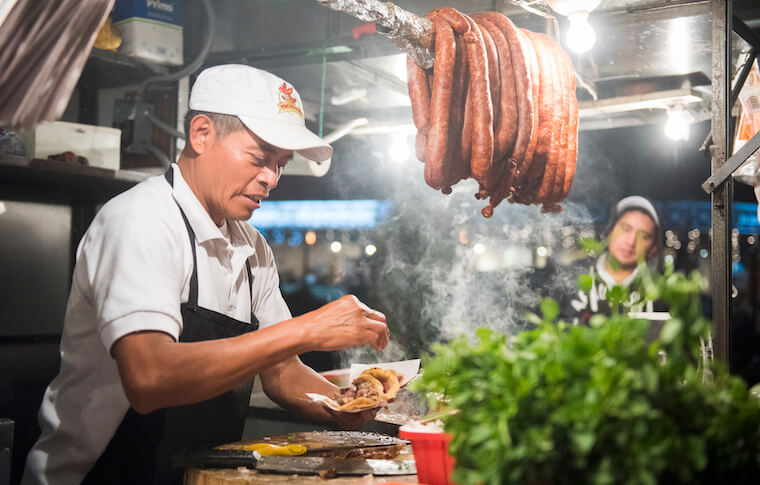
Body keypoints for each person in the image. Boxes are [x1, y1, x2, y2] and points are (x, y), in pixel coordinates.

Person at [22, 65, 390, 485]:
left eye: (281, 165)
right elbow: (150, 377)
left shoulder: (253, 248)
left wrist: (354, 406)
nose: (271, 178)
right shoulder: (141, 219)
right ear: (201, 134)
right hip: (99, 475)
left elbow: (282, 372)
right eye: (259, 159)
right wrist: (306, 329)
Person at [570, 195, 663, 324]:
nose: (631, 242)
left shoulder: (659, 293)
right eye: (626, 229)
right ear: (610, 230)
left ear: (653, 248)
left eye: (644, 237)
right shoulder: (573, 278)